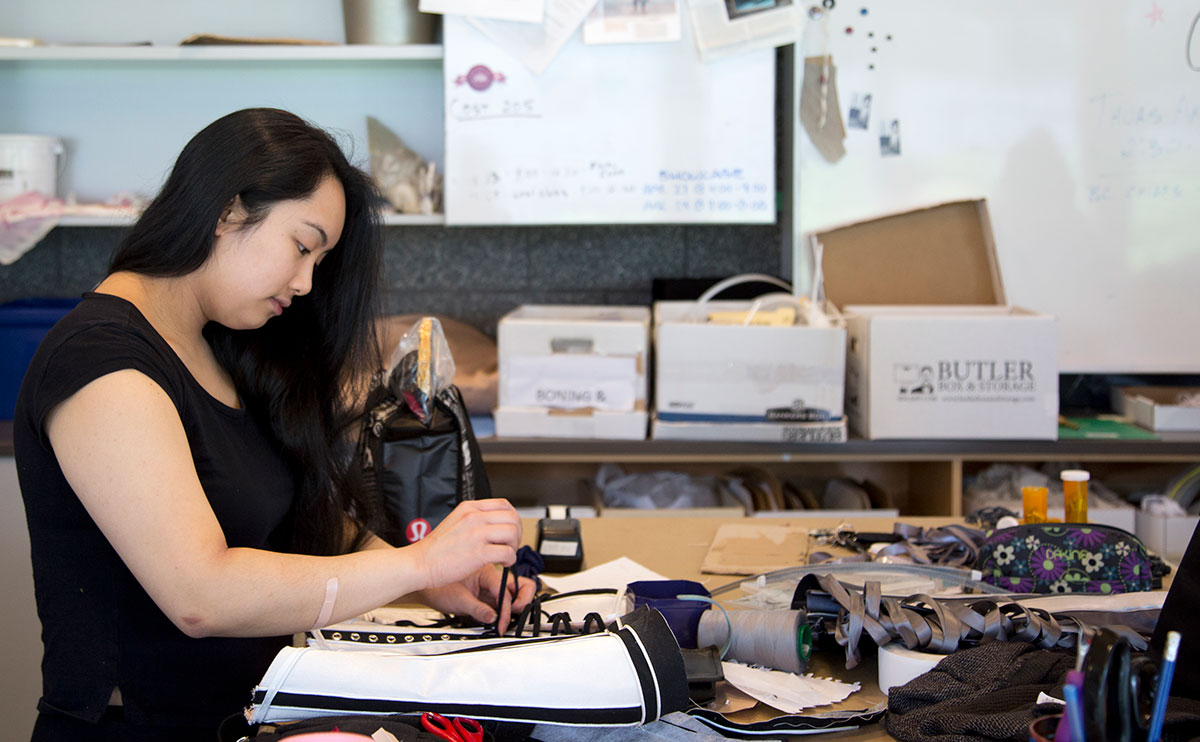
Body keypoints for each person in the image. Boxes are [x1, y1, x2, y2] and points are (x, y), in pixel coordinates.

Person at [14, 108, 536, 742]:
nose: (305, 281)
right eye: (302, 245)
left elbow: (290, 517)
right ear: (229, 210)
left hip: (243, 718)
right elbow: (201, 595)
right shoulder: (102, 364)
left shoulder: (217, 346)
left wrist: (430, 576)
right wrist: (419, 566)